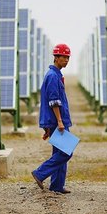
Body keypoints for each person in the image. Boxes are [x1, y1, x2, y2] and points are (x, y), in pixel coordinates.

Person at [31, 43, 73, 194]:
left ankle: (57, 186)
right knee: (66, 152)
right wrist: (60, 122)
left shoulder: (56, 75)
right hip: (57, 121)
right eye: (63, 57)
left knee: (59, 153)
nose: (66, 60)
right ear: (56, 57)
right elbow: (53, 101)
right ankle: (40, 173)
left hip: (55, 121)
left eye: (68, 58)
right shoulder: (52, 76)